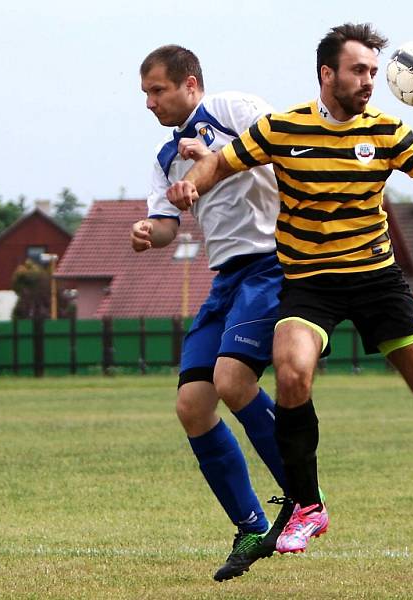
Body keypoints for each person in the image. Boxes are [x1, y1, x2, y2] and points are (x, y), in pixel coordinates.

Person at [166, 23, 413, 554]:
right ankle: (307, 507)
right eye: (359, 70)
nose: (369, 81)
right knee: (292, 372)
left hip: (377, 282)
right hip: (310, 284)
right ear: (327, 74)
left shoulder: (387, 132)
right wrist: (190, 184)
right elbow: (220, 163)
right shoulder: (281, 128)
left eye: (372, 71)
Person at [130, 44, 295, 580]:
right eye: (146, 94)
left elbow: (288, 151)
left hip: (272, 265)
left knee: (231, 380)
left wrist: (214, 164)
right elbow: (165, 226)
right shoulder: (163, 158)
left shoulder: (232, 110)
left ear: (191, 84)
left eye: (158, 90)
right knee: (192, 406)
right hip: (226, 278)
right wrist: (145, 235)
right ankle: (251, 525)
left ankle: (305, 498)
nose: (150, 103)